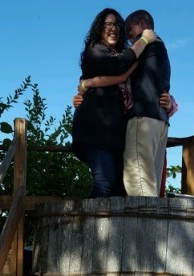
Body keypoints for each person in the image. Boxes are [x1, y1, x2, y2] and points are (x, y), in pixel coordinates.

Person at [71, 8, 158, 198]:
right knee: (105, 182)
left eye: (117, 25)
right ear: (99, 28)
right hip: (94, 129)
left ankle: (109, 228)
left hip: (116, 135)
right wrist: (144, 40)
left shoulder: (122, 54)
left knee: (119, 189)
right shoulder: (95, 50)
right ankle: (85, 226)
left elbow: (145, 84)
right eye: (107, 24)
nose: (113, 29)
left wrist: (169, 101)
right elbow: (119, 66)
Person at [123, 10, 172, 197]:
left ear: (143, 25)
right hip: (160, 120)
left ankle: (144, 227)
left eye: (129, 30)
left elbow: (120, 65)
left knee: (140, 186)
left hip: (143, 118)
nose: (128, 36)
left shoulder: (145, 44)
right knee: (152, 184)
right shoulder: (161, 50)